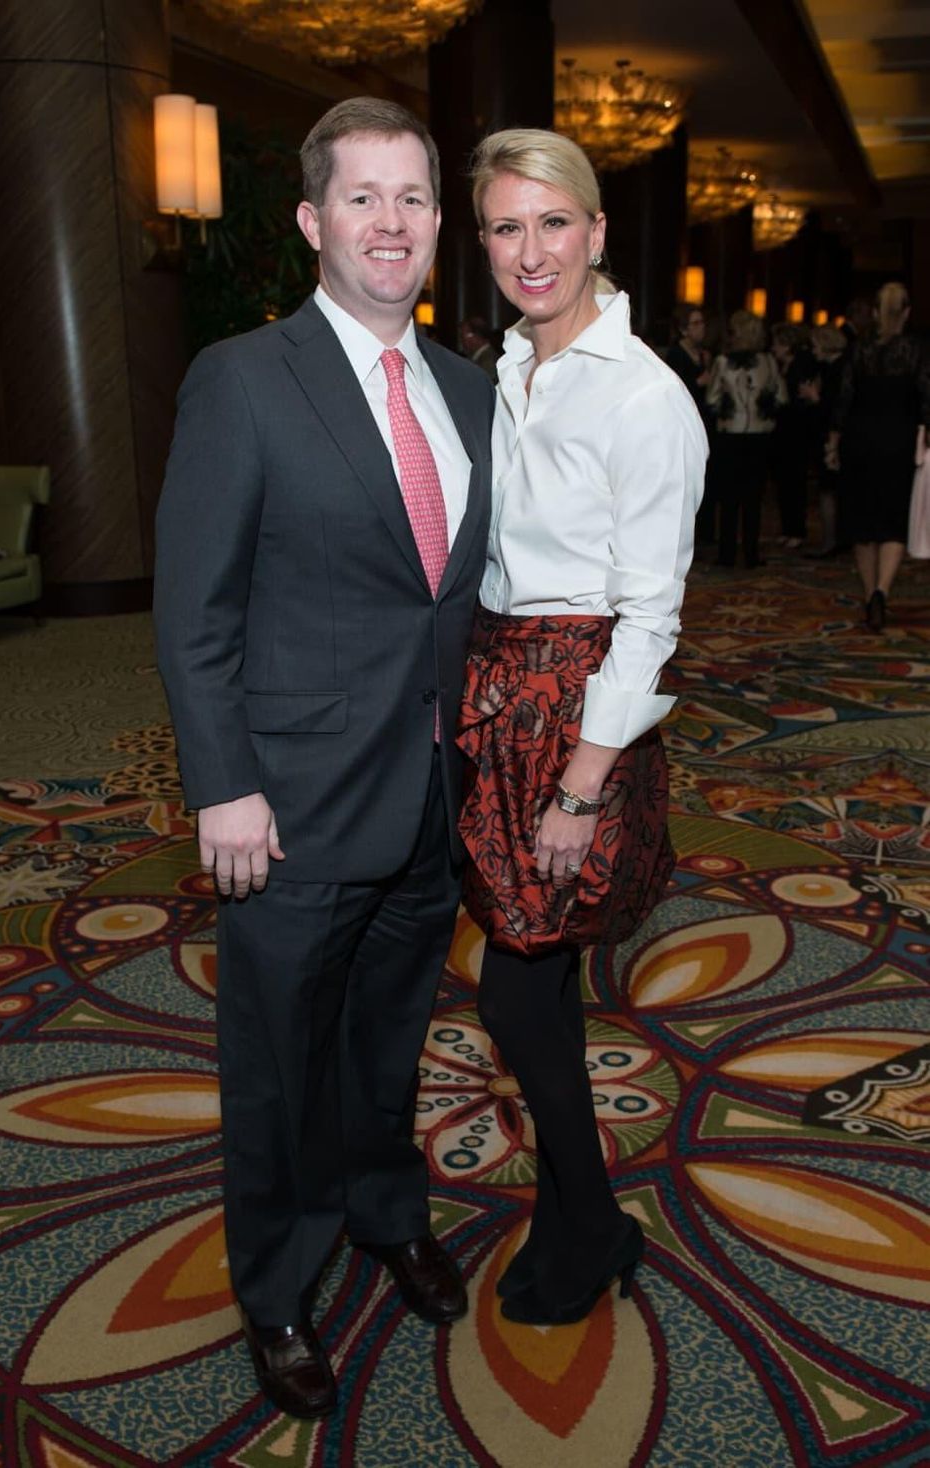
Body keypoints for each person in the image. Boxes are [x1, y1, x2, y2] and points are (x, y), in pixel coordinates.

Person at [154, 97, 493, 1419]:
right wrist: (222, 783)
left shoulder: (465, 388)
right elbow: (195, 614)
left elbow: (451, 597)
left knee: (393, 1036)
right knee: (282, 1058)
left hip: (430, 793)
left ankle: (384, 1211)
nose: (393, 223)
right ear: (312, 221)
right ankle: (279, 1285)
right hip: (286, 806)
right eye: (365, 198)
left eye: (413, 198)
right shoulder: (244, 379)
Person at [456, 128, 706, 1327]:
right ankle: (574, 1212)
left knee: (512, 990)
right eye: (506, 227)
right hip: (498, 689)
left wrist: (581, 783)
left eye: (552, 223)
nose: (530, 250)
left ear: (596, 232)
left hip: (576, 706)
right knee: (534, 976)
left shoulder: (642, 394)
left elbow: (650, 612)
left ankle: (592, 1215)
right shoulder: (504, 366)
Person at [829, 281, 930, 629]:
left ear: (874, 313)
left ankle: (870, 587)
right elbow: (927, 397)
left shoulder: (859, 350)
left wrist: (835, 438)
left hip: (860, 440)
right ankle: (881, 592)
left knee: (862, 520)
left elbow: (843, 400)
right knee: (892, 518)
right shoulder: (916, 350)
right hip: (898, 441)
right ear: (906, 313)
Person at [706, 310, 786, 569]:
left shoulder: (722, 362)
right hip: (759, 437)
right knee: (753, 497)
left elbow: (711, 399)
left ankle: (727, 554)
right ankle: (751, 554)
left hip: (730, 435)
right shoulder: (769, 362)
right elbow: (782, 397)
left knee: (729, 498)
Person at [666, 303, 715, 543]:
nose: (701, 328)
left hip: (707, 420)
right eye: (696, 323)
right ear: (684, 329)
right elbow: (677, 390)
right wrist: (700, 382)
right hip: (685, 422)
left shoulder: (705, 353)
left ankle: (706, 534)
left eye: (702, 322)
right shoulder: (676, 354)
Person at [801, 323, 848, 558]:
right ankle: (833, 540)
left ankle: (831, 542)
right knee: (829, 490)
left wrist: (815, 397)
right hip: (828, 435)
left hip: (835, 438)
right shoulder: (830, 368)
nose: (813, 350)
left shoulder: (839, 370)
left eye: (815, 345)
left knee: (829, 490)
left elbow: (835, 409)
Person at [769, 322, 816, 549]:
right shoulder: (780, 366)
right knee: (784, 482)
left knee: (796, 482)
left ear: (788, 345)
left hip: (798, 431)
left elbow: (802, 399)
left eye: (777, 344)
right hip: (782, 431)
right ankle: (787, 528)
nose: (773, 348)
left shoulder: (802, 364)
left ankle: (798, 529)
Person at [459, 315, 499, 381]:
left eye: (463, 335)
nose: (462, 340)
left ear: (476, 336)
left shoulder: (488, 360)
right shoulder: (478, 357)